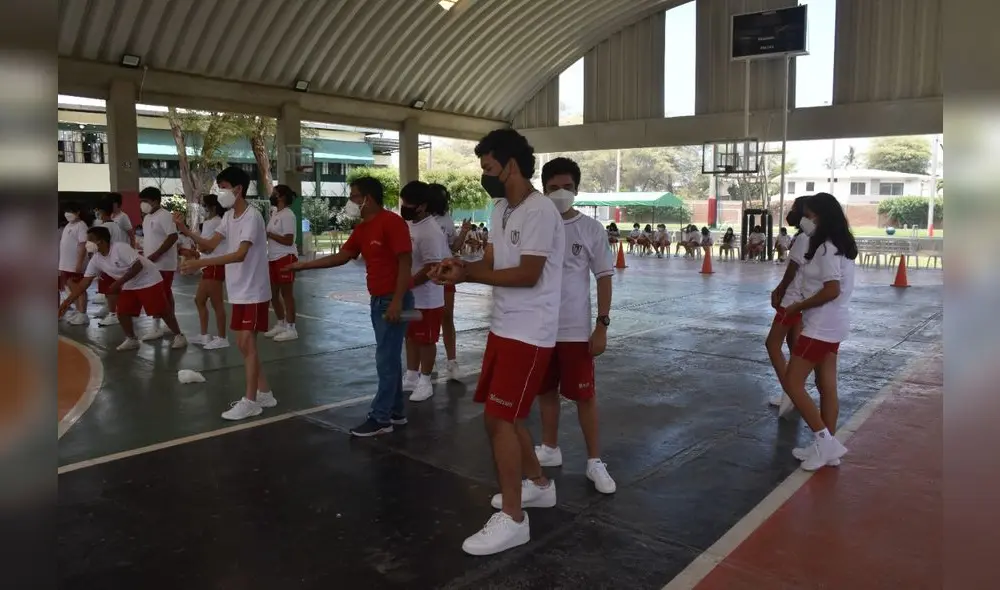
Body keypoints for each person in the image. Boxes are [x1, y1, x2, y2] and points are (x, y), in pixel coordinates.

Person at [430, 129, 564, 556]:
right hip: (503, 328)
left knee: (499, 420)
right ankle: (539, 486)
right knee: (503, 419)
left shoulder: (541, 211)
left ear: (511, 164)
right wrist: (459, 265)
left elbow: (527, 275)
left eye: (488, 166)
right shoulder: (500, 206)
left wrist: (470, 275)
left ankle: (513, 519)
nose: (484, 174)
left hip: (530, 332)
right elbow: (489, 262)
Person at [285, 176, 414, 436]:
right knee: (389, 357)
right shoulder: (363, 229)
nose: (351, 201)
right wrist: (303, 265)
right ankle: (396, 411)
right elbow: (342, 257)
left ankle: (381, 418)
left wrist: (398, 301)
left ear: (368, 198)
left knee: (385, 359)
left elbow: (405, 262)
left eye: (354, 196)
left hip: (393, 299)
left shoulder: (392, 223)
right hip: (379, 300)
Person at [534, 157, 616, 494]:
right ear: (543, 190)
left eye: (567, 187)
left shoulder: (591, 229)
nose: (560, 193)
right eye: (553, 188)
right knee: (545, 392)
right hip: (539, 329)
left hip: (574, 330)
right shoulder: (536, 225)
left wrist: (602, 325)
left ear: (578, 189)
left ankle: (595, 461)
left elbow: (604, 277)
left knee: (585, 396)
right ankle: (550, 448)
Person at [176, 166, 277, 420]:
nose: (218, 192)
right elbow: (211, 244)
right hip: (238, 290)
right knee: (246, 345)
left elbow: (241, 253)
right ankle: (265, 393)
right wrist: (185, 231)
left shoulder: (252, 217)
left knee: (245, 343)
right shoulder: (229, 217)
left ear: (238, 189)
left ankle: (251, 401)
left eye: (221, 187)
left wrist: (200, 264)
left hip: (253, 289)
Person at [780, 193, 857, 471]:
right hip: (833, 324)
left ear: (821, 217)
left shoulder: (825, 248)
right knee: (826, 385)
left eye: (809, 215)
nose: (805, 220)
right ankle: (827, 447)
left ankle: (824, 441)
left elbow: (831, 289)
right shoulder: (838, 244)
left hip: (821, 325)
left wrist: (798, 305)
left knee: (792, 382)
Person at [58, 226, 187, 351]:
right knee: (123, 311)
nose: (87, 244)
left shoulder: (120, 248)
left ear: (101, 241)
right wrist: (67, 302)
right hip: (129, 282)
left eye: (90, 240)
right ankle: (132, 339)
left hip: (148, 279)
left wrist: (118, 283)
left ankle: (179, 335)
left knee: (161, 310)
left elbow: (137, 266)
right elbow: (84, 283)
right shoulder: (96, 259)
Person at [400, 181, 449, 402]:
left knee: (426, 340)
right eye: (403, 202)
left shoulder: (431, 231)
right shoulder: (410, 225)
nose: (405, 207)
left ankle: (426, 380)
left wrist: (408, 283)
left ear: (422, 206)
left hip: (428, 300)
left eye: (409, 203)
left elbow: (431, 267)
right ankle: (411, 375)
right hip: (410, 298)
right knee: (410, 337)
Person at [766, 198, 809, 414]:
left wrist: (780, 289)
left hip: (792, 300)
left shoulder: (803, 238)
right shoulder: (806, 237)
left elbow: (793, 269)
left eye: (793, 210)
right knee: (793, 346)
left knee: (772, 345)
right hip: (799, 299)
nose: (789, 214)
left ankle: (792, 391)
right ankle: (791, 392)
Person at [427, 183, 473, 381]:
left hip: (445, 273)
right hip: (426, 274)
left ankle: (452, 362)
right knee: (427, 318)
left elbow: (453, 246)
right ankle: (428, 360)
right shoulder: (419, 220)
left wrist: (463, 232)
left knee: (447, 317)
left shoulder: (445, 219)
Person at [179, 194, 229, 350]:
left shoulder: (213, 223)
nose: (204, 210)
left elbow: (207, 246)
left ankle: (222, 337)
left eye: (205, 206)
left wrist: (198, 248)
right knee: (199, 300)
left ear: (213, 207)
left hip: (214, 264)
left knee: (217, 303)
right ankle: (204, 334)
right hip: (210, 265)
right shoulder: (216, 222)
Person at [138, 187, 179, 340]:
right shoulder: (147, 218)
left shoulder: (165, 216)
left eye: (145, 201)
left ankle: (156, 327)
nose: (142, 204)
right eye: (141, 202)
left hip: (164, 264)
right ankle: (170, 324)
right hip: (152, 263)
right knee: (166, 294)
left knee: (159, 295)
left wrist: (157, 254)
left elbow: (172, 236)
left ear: (156, 201)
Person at [263, 184, 300, 342]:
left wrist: (270, 234)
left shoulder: (288, 215)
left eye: (275, 193)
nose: (272, 195)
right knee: (272, 294)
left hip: (286, 257)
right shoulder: (275, 213)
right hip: (272, 258)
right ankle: (281, 323)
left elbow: (288, 240)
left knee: (287, 294)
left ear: (282, 197)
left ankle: (291, 328)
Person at [92, 197, 130, 326]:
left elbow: (99, 245)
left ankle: (114, 313)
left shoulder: (106, 227)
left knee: (111, 290)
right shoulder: (114, 225)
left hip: (109, 262)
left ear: (101, 212)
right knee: (109, 289)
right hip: (112, 261)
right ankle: (111, 310)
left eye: (97, 211)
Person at [59, 202, 90, 326]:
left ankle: (83, 314)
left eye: (70, 211)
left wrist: (79, 263)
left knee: (79, 288)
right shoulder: (68, 226)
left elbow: (83, 245)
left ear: (78, 212)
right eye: (66, 211)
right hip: (65, 263)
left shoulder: (81, 226)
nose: (67, 214)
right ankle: (78, 312)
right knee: (73, 289)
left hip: (74, 263)